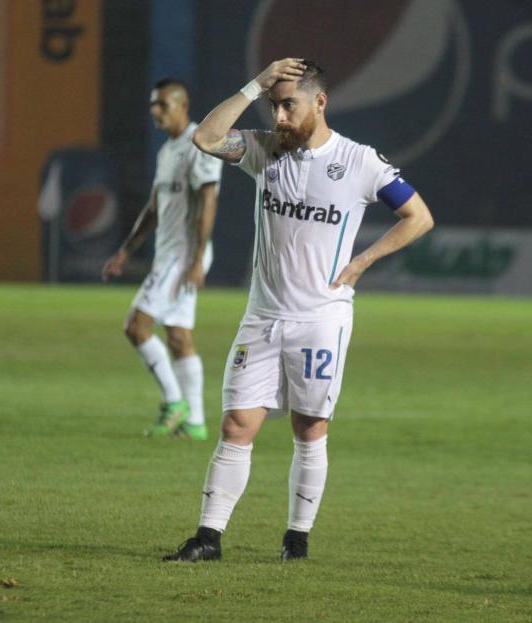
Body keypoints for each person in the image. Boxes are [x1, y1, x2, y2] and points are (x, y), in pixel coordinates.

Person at [163, 58, 434, 561]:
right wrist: (256, 84)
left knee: (309, 428)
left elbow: (418, 216)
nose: (280, 117)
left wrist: (363, 261)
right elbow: (204, 138)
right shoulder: (264, 150)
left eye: (289, 105)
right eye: (274, 106)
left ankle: (297, 537)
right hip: (262, 317)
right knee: (236, 424)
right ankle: (208, 538)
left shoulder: (359, 162)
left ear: (320, 102)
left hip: (320, 320)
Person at [102, 78, 223, 441]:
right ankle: (196, 423)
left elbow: (209, 201)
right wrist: (126, 250)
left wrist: (197, 259)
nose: (156, 111)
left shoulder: (199, 144)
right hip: (170, 254)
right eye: (153, 105)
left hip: (183, 255)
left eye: (163, 105)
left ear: (182, 106)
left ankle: (174, 403)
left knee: (136, 325)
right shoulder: (168, 150)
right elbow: (154, 207)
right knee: (179, 336)